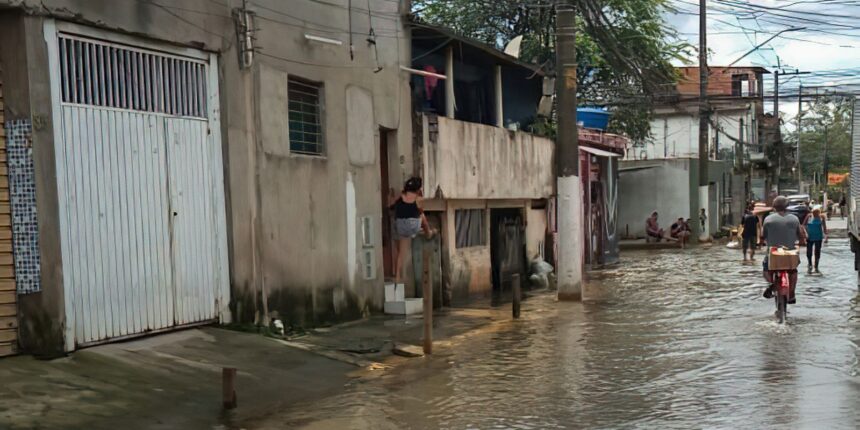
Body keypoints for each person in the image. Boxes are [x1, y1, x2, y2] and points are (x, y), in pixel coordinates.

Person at [762, 196, 807, 304]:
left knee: (766, 269)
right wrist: (802, 242)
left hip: (773, 253)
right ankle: (791, 293)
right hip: (790, 253)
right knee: (793, 271)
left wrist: (762, 242)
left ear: (774, 207)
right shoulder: (794, 219)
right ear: (787, 206)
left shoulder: (768, 219)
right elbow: (800, 235)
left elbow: (763, 235)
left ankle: (770, 283)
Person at [390, 177, 434, 282]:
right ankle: (429, 233)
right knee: (422, 216)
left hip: (399, 225)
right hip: (411, 227)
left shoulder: (400, 196)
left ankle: (397, 274)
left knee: (399, 251)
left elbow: (391, 206)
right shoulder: (418, 199)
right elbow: (421, 210)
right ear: (418, 189)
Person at [804, 206, 828, 274]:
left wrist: (826, 236)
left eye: (817, 213)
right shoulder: (809, 216)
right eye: (814, 212)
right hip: (810, 237)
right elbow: (803, 225)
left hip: (818, 237)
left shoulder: (821, 217)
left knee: (817, 251)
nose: (815, 214)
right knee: (809, 251)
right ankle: (810, 263)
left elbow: (824, 227)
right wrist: (806, 233)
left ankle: (816, 265)